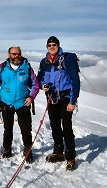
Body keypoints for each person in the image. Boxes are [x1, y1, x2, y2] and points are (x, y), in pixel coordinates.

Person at [37, 36, 80, 170]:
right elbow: (39, 79)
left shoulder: (66, 59)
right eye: (49, 45)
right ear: (47, 47)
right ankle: (58, 151)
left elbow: (75, 81)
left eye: (54, 44)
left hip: (65, 97)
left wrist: (72, 101)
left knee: (66, 127)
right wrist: (43, 86)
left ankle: (71, 156)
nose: (51, 46)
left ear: (58, 45)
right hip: (51, 97)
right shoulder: (44, 62)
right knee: (55, 126)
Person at [0, 47, 39, 163]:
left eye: (18, 54)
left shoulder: (26, 67)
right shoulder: (2, 67)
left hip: (23, 103)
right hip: (6, 103)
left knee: (26, 129)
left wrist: (31, 97)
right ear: (9, 54)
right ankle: (7, 149)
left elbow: (35, 84)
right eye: (14, 54)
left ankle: (28, 150)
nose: (16, 56)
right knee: (8, 129)